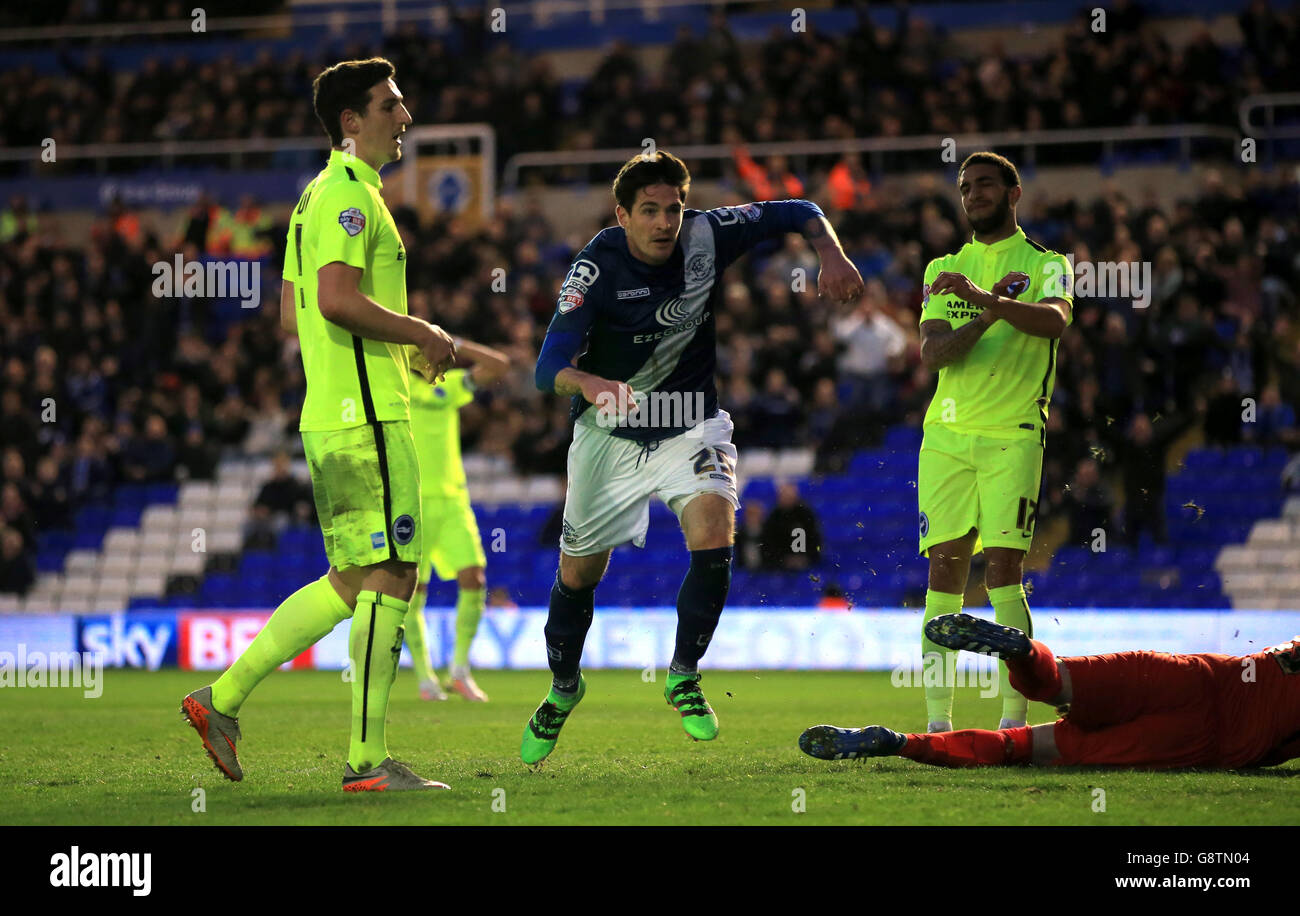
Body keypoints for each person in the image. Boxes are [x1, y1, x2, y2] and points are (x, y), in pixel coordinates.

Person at [524, 150, 863, 764]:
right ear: (622, 214)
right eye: (648, 211)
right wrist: (590, 383)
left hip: (690, 424)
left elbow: (801, 209)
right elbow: (547, 369)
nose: (663, 224)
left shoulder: (709, 234)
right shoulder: (594, 268)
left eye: (672, 210)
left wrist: (831, 253)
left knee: (713, 531)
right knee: (579, 576)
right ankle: (563, 688)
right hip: (609, 433)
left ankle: (683, 674)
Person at [181, 57, 457, 792]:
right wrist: (420, 333)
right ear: (351, 122)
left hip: (332, 414)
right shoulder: (347, 200)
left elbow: (289, 310)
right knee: (396, 572)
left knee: (351, 578)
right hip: (367, 417)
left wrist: (382, 349)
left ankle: (223, 700)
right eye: (391, 106)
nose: (405, 118)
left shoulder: (313, 201)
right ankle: (367, 764)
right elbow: (334, 300)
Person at [916, 151, 1073, 734]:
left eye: (984, 184)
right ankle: (938, 725)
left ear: (1014, 193)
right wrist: (982, 315)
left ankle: (1014, 720)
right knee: (943, 575)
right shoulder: (943, 268)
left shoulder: (1048, 263)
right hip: (947, 437)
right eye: (964, 186)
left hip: (1013, 434)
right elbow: (933, 355)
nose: (972, 194)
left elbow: (1055, 321)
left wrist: (986, 299)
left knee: (1003, 571)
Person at [801, 613, 1300, 770]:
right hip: (1204, 740)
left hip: (1201, 674)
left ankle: (1020, 653)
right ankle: (898, 742)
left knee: (1057, 679)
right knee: (1023, 747)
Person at [404, 338, 509, 703]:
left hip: (452, 501)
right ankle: (424, 678)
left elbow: (500, 365)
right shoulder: (395, 385)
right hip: (411, 502)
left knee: (474, 577)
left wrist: (457, 342)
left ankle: (460, 671)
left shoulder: (448, 387)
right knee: (412, 591)